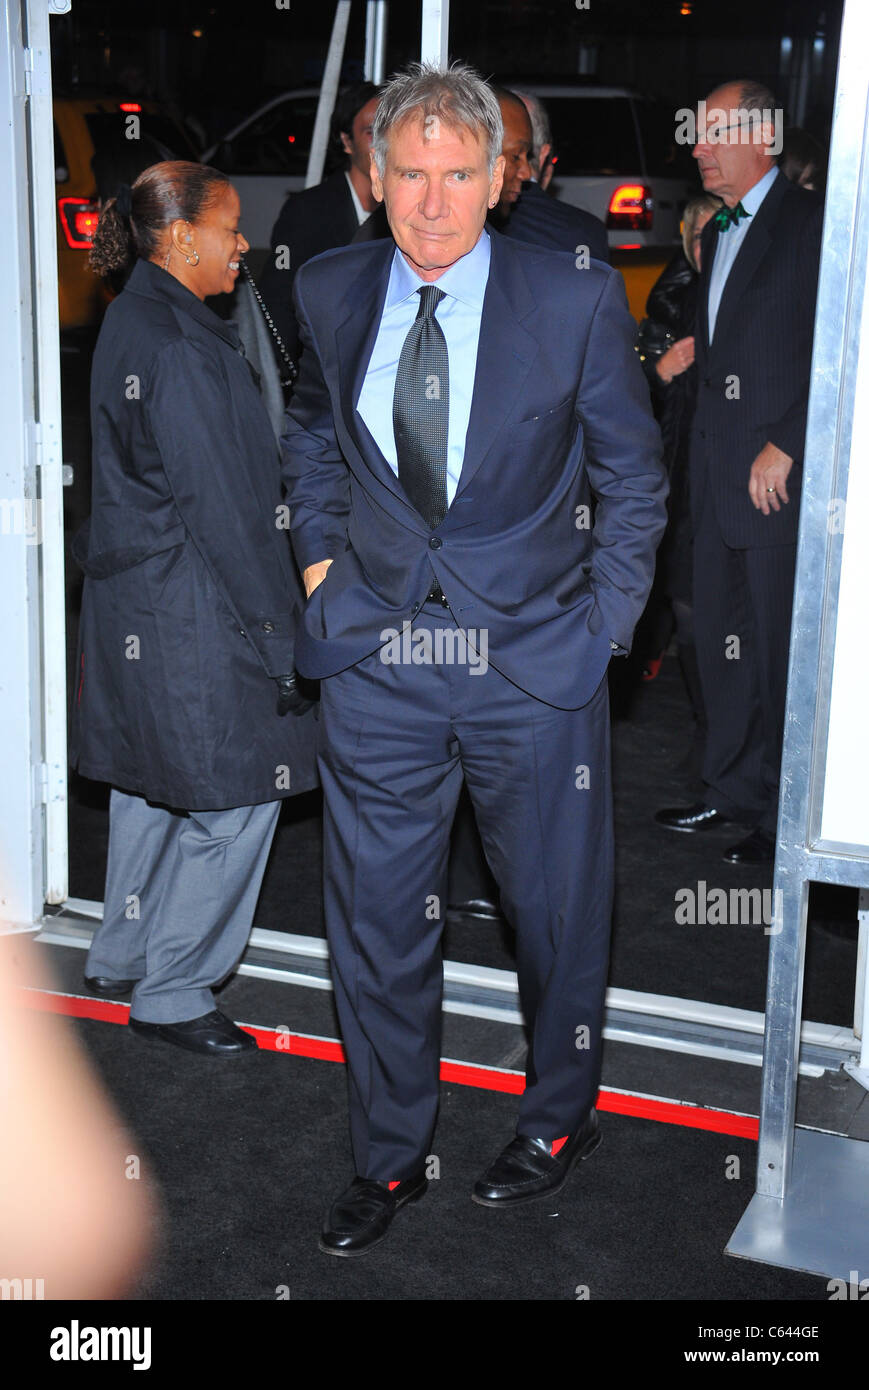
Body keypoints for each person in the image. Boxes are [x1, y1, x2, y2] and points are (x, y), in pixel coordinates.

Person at [281, 61, 667, 1256]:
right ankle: (389, 1155)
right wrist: (318, 571)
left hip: (531, 666)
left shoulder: (573, 298)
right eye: (411, 173)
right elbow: (309, 434)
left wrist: (600, 629)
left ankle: (558, 1118)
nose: (434, 201)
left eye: (460, 173)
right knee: (378, 924)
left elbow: (634, 481)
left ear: (501, 179)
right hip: (379, 664)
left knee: (552, 916)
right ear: (375, 174)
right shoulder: (334, 286)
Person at [72, 161, 318, 1056]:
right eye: (229, 227)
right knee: (238, 797)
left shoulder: (133, 315)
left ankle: (122, 949)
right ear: (178, 237)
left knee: (151, 783)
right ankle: (173, 989)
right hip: (194, 610)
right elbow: (232, 517)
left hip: (141, 601)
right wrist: (284, 642)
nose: (242, 244)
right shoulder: (179, 346)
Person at [655, 81, 823, 864]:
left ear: (761, 135)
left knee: (775, 654)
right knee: (716, 644)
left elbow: (841, 349)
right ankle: (729, 792)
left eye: (711, 130)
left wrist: (787, 439)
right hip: (714, 471)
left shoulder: (815, 224)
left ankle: (784, 820)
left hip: (774, 480)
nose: (695, 145)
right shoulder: (719, 231)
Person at [634, 193, 722, 780]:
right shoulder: (671, 301)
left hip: (718, 485)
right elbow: (621, 399)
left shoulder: (736, 303)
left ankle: (721, 739)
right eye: (694, 235)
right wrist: (656, 373)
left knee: (706, 614)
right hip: (670, 478)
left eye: (713, 233)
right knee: (682, 605)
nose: (703, 245)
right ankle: (712, 735)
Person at [259, 82, 382, 360]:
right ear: (347, 141)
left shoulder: (408, 209)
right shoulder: (307, 212)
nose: (384, 143)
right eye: (372, 132)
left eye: (391, 130)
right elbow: (277, 302)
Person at [490, 86, 609, 263]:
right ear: (544, 155)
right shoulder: (585, 232)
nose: (524, 172)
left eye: (525, 154)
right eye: (516, 155)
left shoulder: (465, 223)